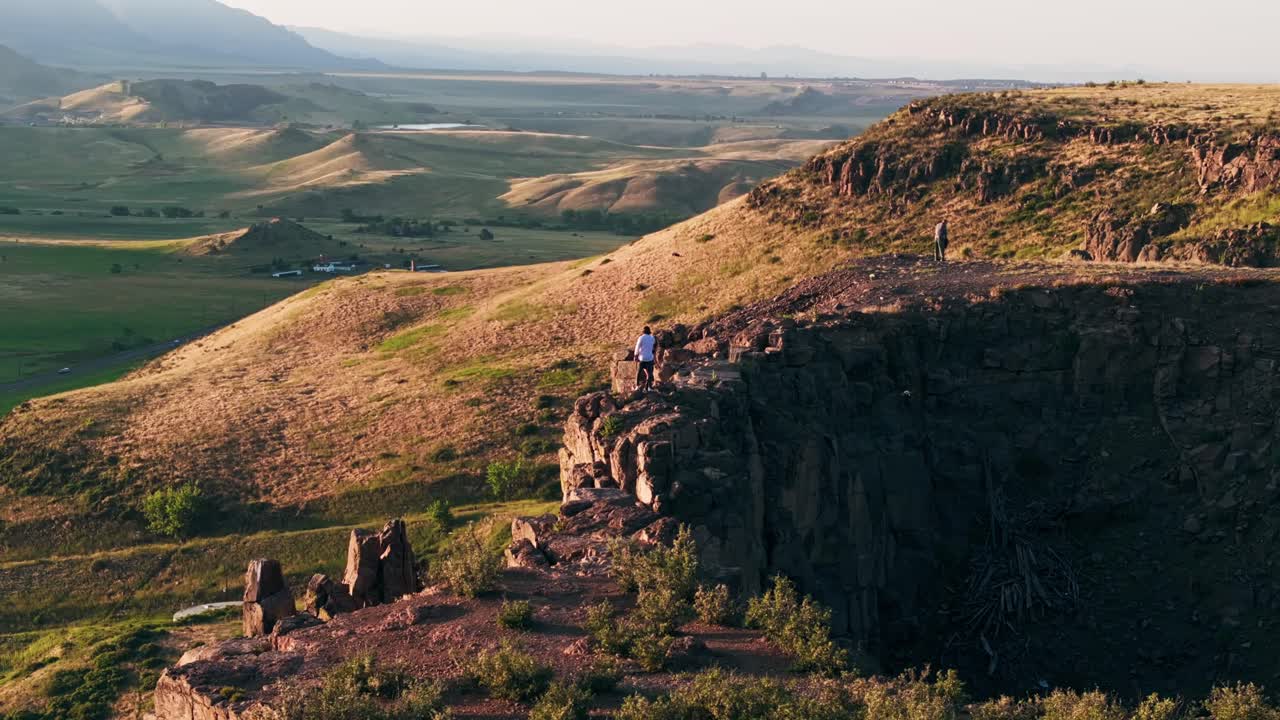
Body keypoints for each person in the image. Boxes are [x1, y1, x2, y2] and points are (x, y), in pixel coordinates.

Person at [634, 326, 657, 392]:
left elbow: (637, 347)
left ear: (643, 332)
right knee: (649, 373)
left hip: (642, 358)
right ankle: (648, 387)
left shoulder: (641, 338)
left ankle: (637, 386)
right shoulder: (652, 338)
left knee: (639, 372)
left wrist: (635, 355)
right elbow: (653, 347)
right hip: (649, 358)